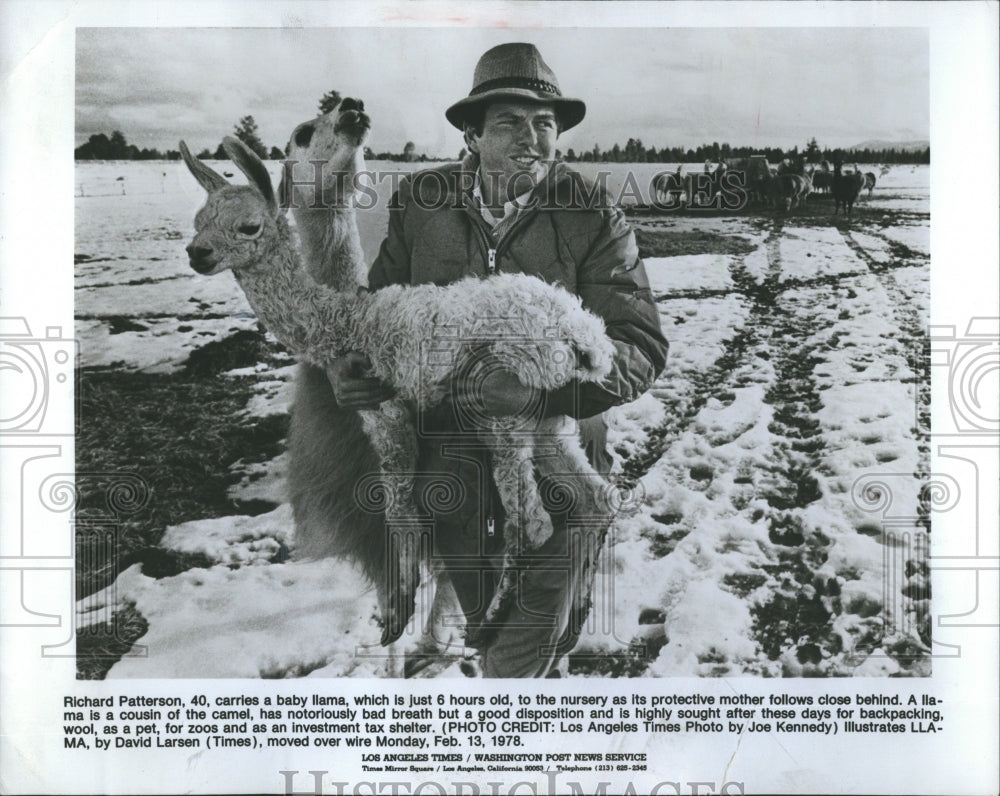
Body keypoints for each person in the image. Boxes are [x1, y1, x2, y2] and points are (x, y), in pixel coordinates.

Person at [327, 42, 668, 677]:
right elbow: (381, 316)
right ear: (473, 133)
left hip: (561, 411)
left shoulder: (592, 210)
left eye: (546, 124)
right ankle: (505, 639)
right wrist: (358, 370)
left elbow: (638, 345)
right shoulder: (420, 202)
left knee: (569, 494)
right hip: (449, 413)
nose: (532, 138)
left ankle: (532, 645)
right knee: (446, 495)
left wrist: (542, 397)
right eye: (510, 122)